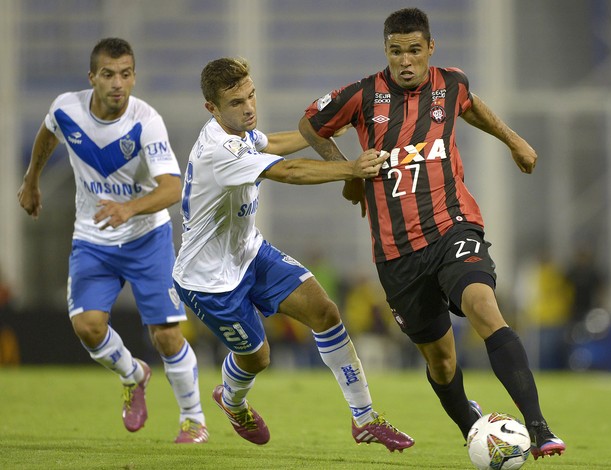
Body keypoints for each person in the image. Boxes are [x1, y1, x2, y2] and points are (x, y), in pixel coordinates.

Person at [299, 7, 565, 460]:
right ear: (386, 50)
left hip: (452, 226)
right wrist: (345, 170)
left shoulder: (451, 83)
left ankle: (539, 428)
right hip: (397, 253)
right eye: (396, 51)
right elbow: (310, 123)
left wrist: (513, 139)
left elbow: (471, 104)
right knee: (440, 361)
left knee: (484, 307)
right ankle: (472, 427)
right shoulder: (363, 95)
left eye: (414, 51)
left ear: (430, 50)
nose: (405, 60)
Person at [172, 57, 413, 452]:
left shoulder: (242, 132)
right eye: (236, 103)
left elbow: (277, 142)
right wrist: (351, 168)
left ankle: (365, 419)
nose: (249, 107)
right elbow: (289, 171)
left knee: (326, 312)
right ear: (212, 109)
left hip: (250, 253)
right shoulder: (218, 150)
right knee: (257, 357)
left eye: (251, 95)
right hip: (208, 280)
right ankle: (231, 400)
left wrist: (326, 123)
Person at [18, 38, 208, 444]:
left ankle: (193, 419)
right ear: (93, 78)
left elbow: (173, 188)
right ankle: (132, 374)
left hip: (147, 236)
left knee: (166, 335)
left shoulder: (146, 122)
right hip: (93, 237)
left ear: (134, 77)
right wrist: (31, 179)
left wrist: (129, 208)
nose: (118, 83)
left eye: (125, 74)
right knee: (87, 327)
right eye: (108, 74)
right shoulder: (66, 108)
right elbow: (48, 135)